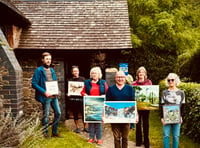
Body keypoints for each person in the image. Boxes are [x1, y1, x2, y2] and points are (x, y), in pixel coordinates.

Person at [32, 52, 62, 138]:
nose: (48, 60)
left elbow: (54, 82)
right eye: (47, 59)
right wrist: (44, 92)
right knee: (46, 115)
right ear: (42, 60)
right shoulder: (38, 70)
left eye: (49, 59)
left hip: (54, 96)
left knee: (58, 113)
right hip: (45, 97)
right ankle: (45, 133)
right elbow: (34, 84)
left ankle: (54, 132)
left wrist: (57, 90)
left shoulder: (52, 70)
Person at [106, 71, 138, 148]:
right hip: (114, 117)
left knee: (125, 138)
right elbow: (107, 103)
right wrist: (104, 115)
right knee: (116, 138)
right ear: (115, 78)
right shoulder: (110, 89)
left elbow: (133, 102)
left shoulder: (129, 88)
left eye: (122, 77)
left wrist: (136, 115)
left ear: (125, 78)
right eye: (118, 77)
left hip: (126, 117)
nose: (120, 79)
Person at [81, 66, 108, 145]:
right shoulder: (87, 82)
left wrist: (104, 96)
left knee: (98, 121)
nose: (94, 74)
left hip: (100, 104)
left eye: (95, 73)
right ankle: (91, 137)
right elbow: (82, 92)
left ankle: (99, 138)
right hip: (90, 104)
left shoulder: (103, 82)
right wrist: (85, 94)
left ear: (99, 74)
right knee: (90, 121)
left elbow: (107, 92)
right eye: (92, 73)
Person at [160, 73, 185, 148]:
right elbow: (162, 105)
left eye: (172, 80)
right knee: (166, 135)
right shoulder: (164, 93)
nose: (170, 81)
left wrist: (181, 116)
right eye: (169, 80)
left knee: (176, 136)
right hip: (166, 117)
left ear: (176, 80)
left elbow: (183, 106)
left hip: (177, 117)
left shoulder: (181, 93)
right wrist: (162, 117)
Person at [132, 66, 152, 148]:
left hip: (146, 106)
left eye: (143, 72)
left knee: (146, 124)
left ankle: (146, 141)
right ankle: (138, 141)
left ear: (145, 74)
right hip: (137, 107)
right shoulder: (134, 83)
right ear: (138, 74)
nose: (141, 74)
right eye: (140, 72)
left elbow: (151, 93)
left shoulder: (149, 82)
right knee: (138, 123)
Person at [67, 65, 88, 133]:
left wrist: (85, 93)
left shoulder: (83, 79)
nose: (75, 72)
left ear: (79, 72)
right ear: (72, 72)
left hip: (82, 99)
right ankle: (77, 127)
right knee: (75, 113)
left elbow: (86, 88)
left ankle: (85, 127)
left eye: (77, 71)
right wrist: (68, 94)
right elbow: (68, 90)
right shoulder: (70, 80)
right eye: (74, 71)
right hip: (73, 99)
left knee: (84, 113)